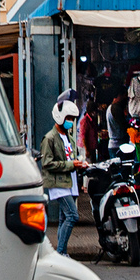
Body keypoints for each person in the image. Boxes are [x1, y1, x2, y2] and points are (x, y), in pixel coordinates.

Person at [40, 96, 88, 257]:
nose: (70, 122)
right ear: (60, 117)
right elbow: (47, 163)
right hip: (59, 184)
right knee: (73, 216)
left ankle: (61, 252)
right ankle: (61, 252)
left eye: (72, 119)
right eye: (68, 118)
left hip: (70, 183)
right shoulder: (50, 138)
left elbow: (71, 158)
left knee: (63, 219)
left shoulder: (69, 138)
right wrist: (71, 165)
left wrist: (79, 164)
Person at [106, 93, 130, 159]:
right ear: (119, 96)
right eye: (123, 96)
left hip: (114, 145)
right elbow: (124, 126)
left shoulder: (110, 108)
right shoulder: (115, 108)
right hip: (118, 146)